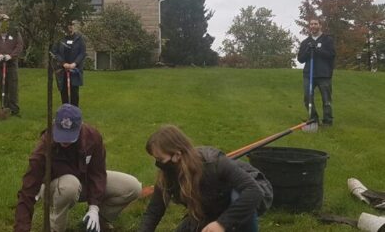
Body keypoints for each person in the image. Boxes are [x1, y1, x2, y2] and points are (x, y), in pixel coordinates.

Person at [15, 104, 142, 232]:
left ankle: (96, 220)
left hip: (84, 181)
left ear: (80, 126)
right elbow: (28, 192)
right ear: (54, 124)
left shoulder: (93, 137)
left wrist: (94, 208)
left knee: (133, 187)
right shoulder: (45, 146)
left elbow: (98, 174)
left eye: (69, 136)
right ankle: (55, 228)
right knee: (70, 185)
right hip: (54, 188)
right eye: (61, 134)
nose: (65, 141)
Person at [139, 125, 271, 232]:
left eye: (160, 159)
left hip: (249, 188)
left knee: (239, 195)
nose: (158, 164)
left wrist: (221, 224)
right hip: (211, 204)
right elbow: (154, 211)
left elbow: (253, 191)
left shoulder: (214, 163)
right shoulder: (167, 174)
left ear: (177, 155)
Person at [297, 17, 336, 126]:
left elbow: (331, 55)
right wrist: (308, 51)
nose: (313, 26)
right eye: (311, 24)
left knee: (326, 99)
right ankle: (313, 119)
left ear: (320, 25)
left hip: (324, 74)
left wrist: (317, 50)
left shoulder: (327, 40)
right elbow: (300, 59)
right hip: (308, 74)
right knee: (307, 98)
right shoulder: (306, 42)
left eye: (315, 24)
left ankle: (327, 121)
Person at [0, 14, 24, 116]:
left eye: (6, 21)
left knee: (13, 87)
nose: (4, 23)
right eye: (2, 21)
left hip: (11, 64)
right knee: (1, 86)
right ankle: (4, 107)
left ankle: (14, 110)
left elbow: (19, 46)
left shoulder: (15, 33)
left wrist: (11, 56)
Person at [51, 21, 86, 107]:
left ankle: (74, 113)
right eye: (68, 25)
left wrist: (74, 63)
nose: (70, 27)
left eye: (72, 25)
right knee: (64, 91)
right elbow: (55, 52)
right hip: (62, 69)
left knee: (74, 92)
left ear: (74, 26)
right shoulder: (60, 38)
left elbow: (82, 53)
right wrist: (63, 63)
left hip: (75, 69)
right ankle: (65, 112)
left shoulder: (79, 38)